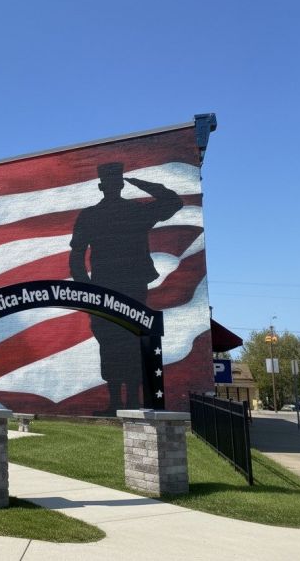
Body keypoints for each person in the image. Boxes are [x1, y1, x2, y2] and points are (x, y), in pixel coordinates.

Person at [69, 162, 183, 413]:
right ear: (114, 185)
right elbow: (172, 200)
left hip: (124, 287)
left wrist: (87, 288)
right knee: (113, 340)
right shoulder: (125, 212)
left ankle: (128, 401)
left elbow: (175, 203)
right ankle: (119, 402)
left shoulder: (126, 212)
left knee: (123, 341)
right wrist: (140, 183)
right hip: (111, 288)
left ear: (105, 186)